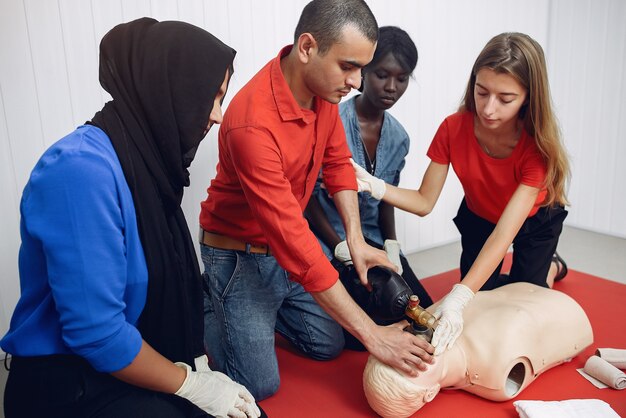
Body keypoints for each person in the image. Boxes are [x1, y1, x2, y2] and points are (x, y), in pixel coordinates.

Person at [0, 18, 262, 418]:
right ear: (170, 88)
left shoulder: (149, 167)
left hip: (125, 361)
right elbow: (96, 333)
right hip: (68, 383)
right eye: (210, 96)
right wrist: (191, 384)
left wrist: (198, 366)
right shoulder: (80, 170)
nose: (218, 116)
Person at [199, 0, 434, 401]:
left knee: (328, 346)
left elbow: (338, 165)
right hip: (239, 255)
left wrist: (356, 241)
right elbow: (295, 239)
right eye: (348, 66)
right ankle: (211, 301)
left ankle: (258, 312)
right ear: (307, 47)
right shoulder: (251, 124)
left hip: (282, 253)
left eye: (362, 67)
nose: (357, 82)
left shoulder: (323, 92)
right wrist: (375, 337)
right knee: (259, 386)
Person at [352, 32, 571, 355]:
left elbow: (503, 235)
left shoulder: (537, 150)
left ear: (528, 97)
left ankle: (549, 268)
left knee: (523, 305)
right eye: (482, 92)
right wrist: (376, 185)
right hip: (480, 215)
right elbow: (424, 202)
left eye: (505, 99)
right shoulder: (454, 128)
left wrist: (460, 294)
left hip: (535, 221)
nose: (489, 108)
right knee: (485, 294)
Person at [304, 26, 433, 350]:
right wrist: (339, 246)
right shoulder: (331, 120)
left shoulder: (399, 137)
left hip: (374, 239)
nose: (391, 87)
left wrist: (391, 244)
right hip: (329, 240)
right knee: (359, 335)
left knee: (422, 311)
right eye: (381, 75)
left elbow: (388, 195)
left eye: (401, 78)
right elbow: (305, 198)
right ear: (364, 72)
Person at [362, 282, 594, 418]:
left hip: (517, 289)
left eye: (396, 353)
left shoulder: (427, 326)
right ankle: (552, 269)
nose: (411, 348)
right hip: (562, 309)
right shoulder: (493, 376)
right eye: (410, 365)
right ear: (430, 393)